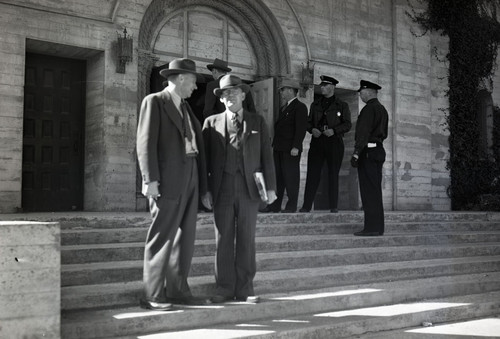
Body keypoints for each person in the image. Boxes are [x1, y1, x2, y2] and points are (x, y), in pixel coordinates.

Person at [136, 58, 210, 311]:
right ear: (180, 78)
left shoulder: (186, 108)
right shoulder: (155, 101)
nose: (195, 87)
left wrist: (203, 187)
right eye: (192, 81)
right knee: (161, 236)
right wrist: (150, 180)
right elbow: (145, 143)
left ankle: (178, 291)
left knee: (184, 238)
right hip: (166, 180)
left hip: (191, 177)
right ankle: (152, 295)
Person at [202, 74, 277, 304]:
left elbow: (267, 156)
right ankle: (224, 288)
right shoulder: (211, 123)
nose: (230, 96)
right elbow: (203, 162)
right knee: (223, 239)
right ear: (221, 99)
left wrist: (271, 188)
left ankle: (245, 289)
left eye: (234, 92)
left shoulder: (257, 122)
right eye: (225, 93)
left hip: (249, 190)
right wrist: (205, 190)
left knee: (246, 238)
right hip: (222, 189)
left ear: (243, 95)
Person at [299, 75, 352, 213]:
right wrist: (312, 129)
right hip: (317, 141)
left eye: (325, 85)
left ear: (332, 87)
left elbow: (347, 124)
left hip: (334, 142)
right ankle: (306, 206)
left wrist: (334, 131)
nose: (322, 87)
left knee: (333, 173)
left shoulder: (342, 105)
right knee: (313, 173)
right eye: (321, 85)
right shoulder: (315, 104)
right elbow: (308, 122)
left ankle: (333, 206)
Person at [262, 78, 308, 213]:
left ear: (290, 90)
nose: (281, 93)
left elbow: (300, 129)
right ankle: (275, 205)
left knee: (291, 178)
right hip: (279, 148)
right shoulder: (284, 107)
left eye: (282, 90)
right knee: (278, 177)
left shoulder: (300, 107)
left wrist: (296, 146)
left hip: (290, 149)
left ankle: (291, 206)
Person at [350, 80, 389, 236]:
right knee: (375, 190)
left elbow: (363, 134)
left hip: (368, 152)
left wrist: (356, 153)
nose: (360, 95)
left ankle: (371, 228)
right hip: (378, 151)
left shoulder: (368, 109)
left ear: (369, 92)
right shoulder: (382, 109)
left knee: (369, 192)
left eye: (361, 92)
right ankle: (378, 227)